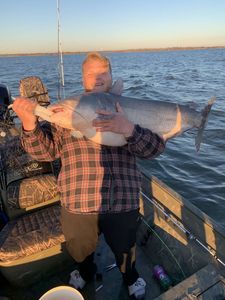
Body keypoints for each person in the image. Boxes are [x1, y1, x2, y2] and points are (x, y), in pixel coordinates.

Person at [12, 52, 165, 299]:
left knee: (125, 249)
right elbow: (45, 152)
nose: (97, 78)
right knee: (80, 251)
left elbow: (155, 148)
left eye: (103, 73)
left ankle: (131, 277)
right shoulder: (66, 109)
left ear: (112, 77)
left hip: (122, 201)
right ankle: (84, 271)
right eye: (90, 73)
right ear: (82, 78)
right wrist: (29, 125)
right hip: (78, 203)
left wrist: (128, 129)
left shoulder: (126, 108)